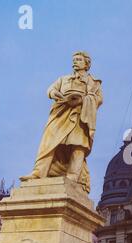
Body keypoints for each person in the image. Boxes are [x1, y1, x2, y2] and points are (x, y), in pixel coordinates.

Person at [20, 51, 103, 193]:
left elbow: (99, 99)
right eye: (74, 59)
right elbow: (50, 89)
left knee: (78, 146)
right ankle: (39, 173)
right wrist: (54, 94)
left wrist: (83, 100)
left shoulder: (93, 82)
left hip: (80, 116)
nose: (75, 62)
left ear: (86, 64)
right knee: (49, 143)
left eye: (78, 59)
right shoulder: (63, 79)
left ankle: (72, 178)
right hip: (60, 113)